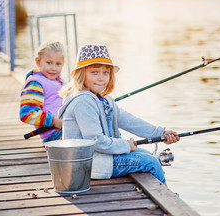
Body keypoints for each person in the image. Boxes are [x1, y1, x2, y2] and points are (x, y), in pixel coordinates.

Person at [58, 44, 179, 184]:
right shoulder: (83, 101)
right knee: (151, 162)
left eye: (106, 73)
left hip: (103, 158)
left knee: (149, 156)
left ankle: (163, 195)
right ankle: (166, 200)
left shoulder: (104, 100)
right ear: (81, 74)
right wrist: (126, 146)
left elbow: (130, 121)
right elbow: (95, 140)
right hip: (86, 165)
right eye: (94, 72)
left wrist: (160, 133)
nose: (101, 78)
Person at [20, 41, 65, 142]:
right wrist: (54, 121)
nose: (53, 68)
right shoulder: (36, 84)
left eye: (58, 64)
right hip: (55, 134)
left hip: (66, 129)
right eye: (49, 63)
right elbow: (27, 114)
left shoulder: (59, 81)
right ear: (38, 62)